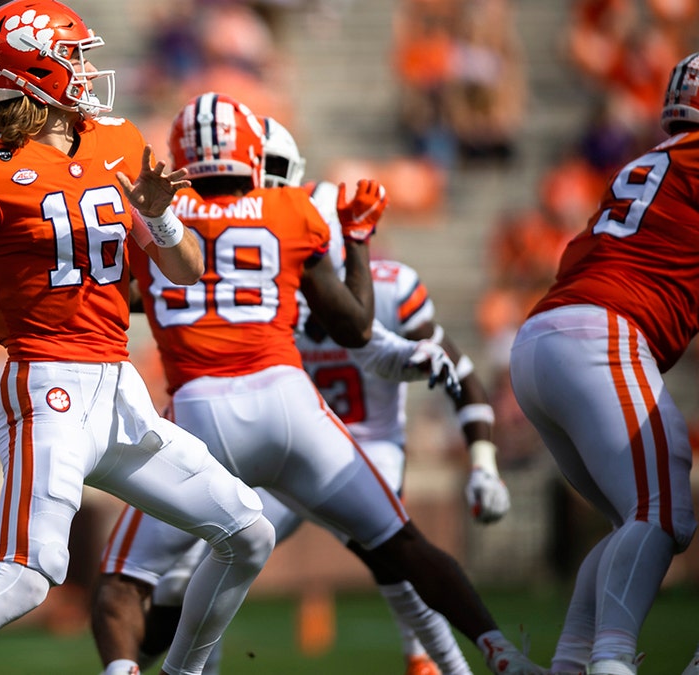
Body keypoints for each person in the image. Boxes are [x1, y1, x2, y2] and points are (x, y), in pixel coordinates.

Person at [0, 3, 277, 674]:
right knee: (26, 576)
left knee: (248, 531)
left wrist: (158, 218)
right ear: (34, 69)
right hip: (48, 390)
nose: (86, 69)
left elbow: (186, 268)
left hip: (118, 390)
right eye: (72, 56)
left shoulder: (116, 141)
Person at [91, 92, 543, 675]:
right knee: (403, 547)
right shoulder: (295, 211)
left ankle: (128, 671)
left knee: (125, 581)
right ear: (252, 153)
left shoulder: (150, 224)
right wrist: (355, 239)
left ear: (179, 154)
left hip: (201, 412)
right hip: (291, 406)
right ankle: (500, 654)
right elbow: (355, 326)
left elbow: (120, 297)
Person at [508, 52, 699, 675]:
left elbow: (578, 254)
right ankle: (612, 663)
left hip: (544, 337)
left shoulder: (646, 164)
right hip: (603, 336)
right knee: (664, 514)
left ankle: (569, 664)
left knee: (632, 521)